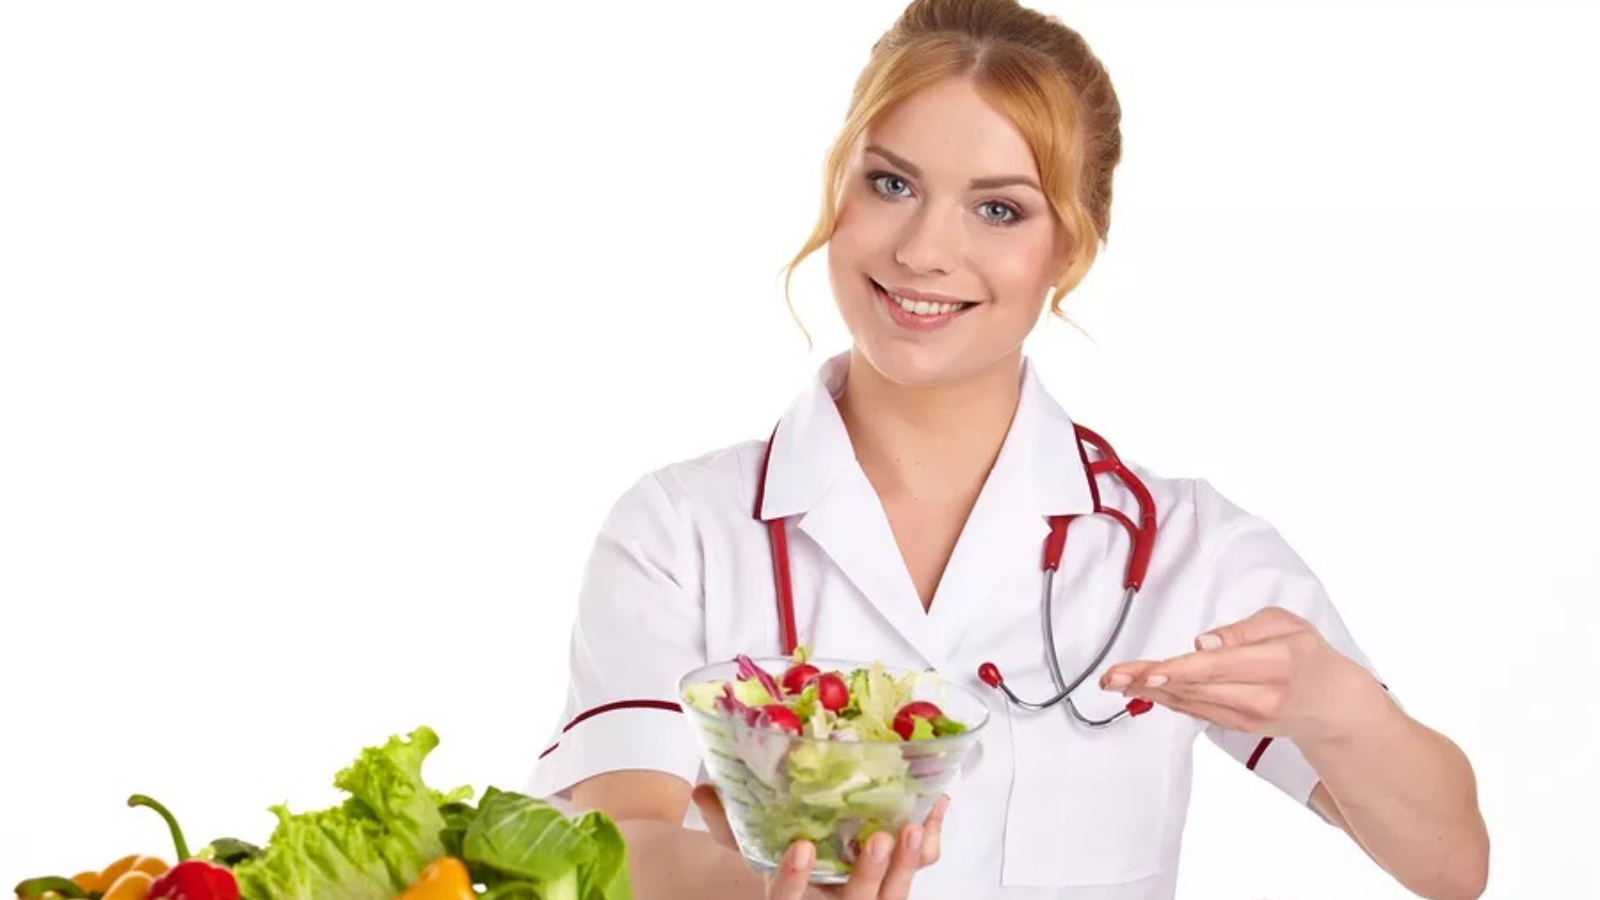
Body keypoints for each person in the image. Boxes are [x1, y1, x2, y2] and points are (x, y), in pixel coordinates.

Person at [523, 1, 1490, 898]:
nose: (921, 251)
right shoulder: (681, 530)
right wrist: (768, 889)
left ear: (1071, 247)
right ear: (837, 187)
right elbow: (617, 841)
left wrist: (1338, 707)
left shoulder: (1184, 552)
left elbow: (1451, 865)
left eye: (999, 209)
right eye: (891, 183)